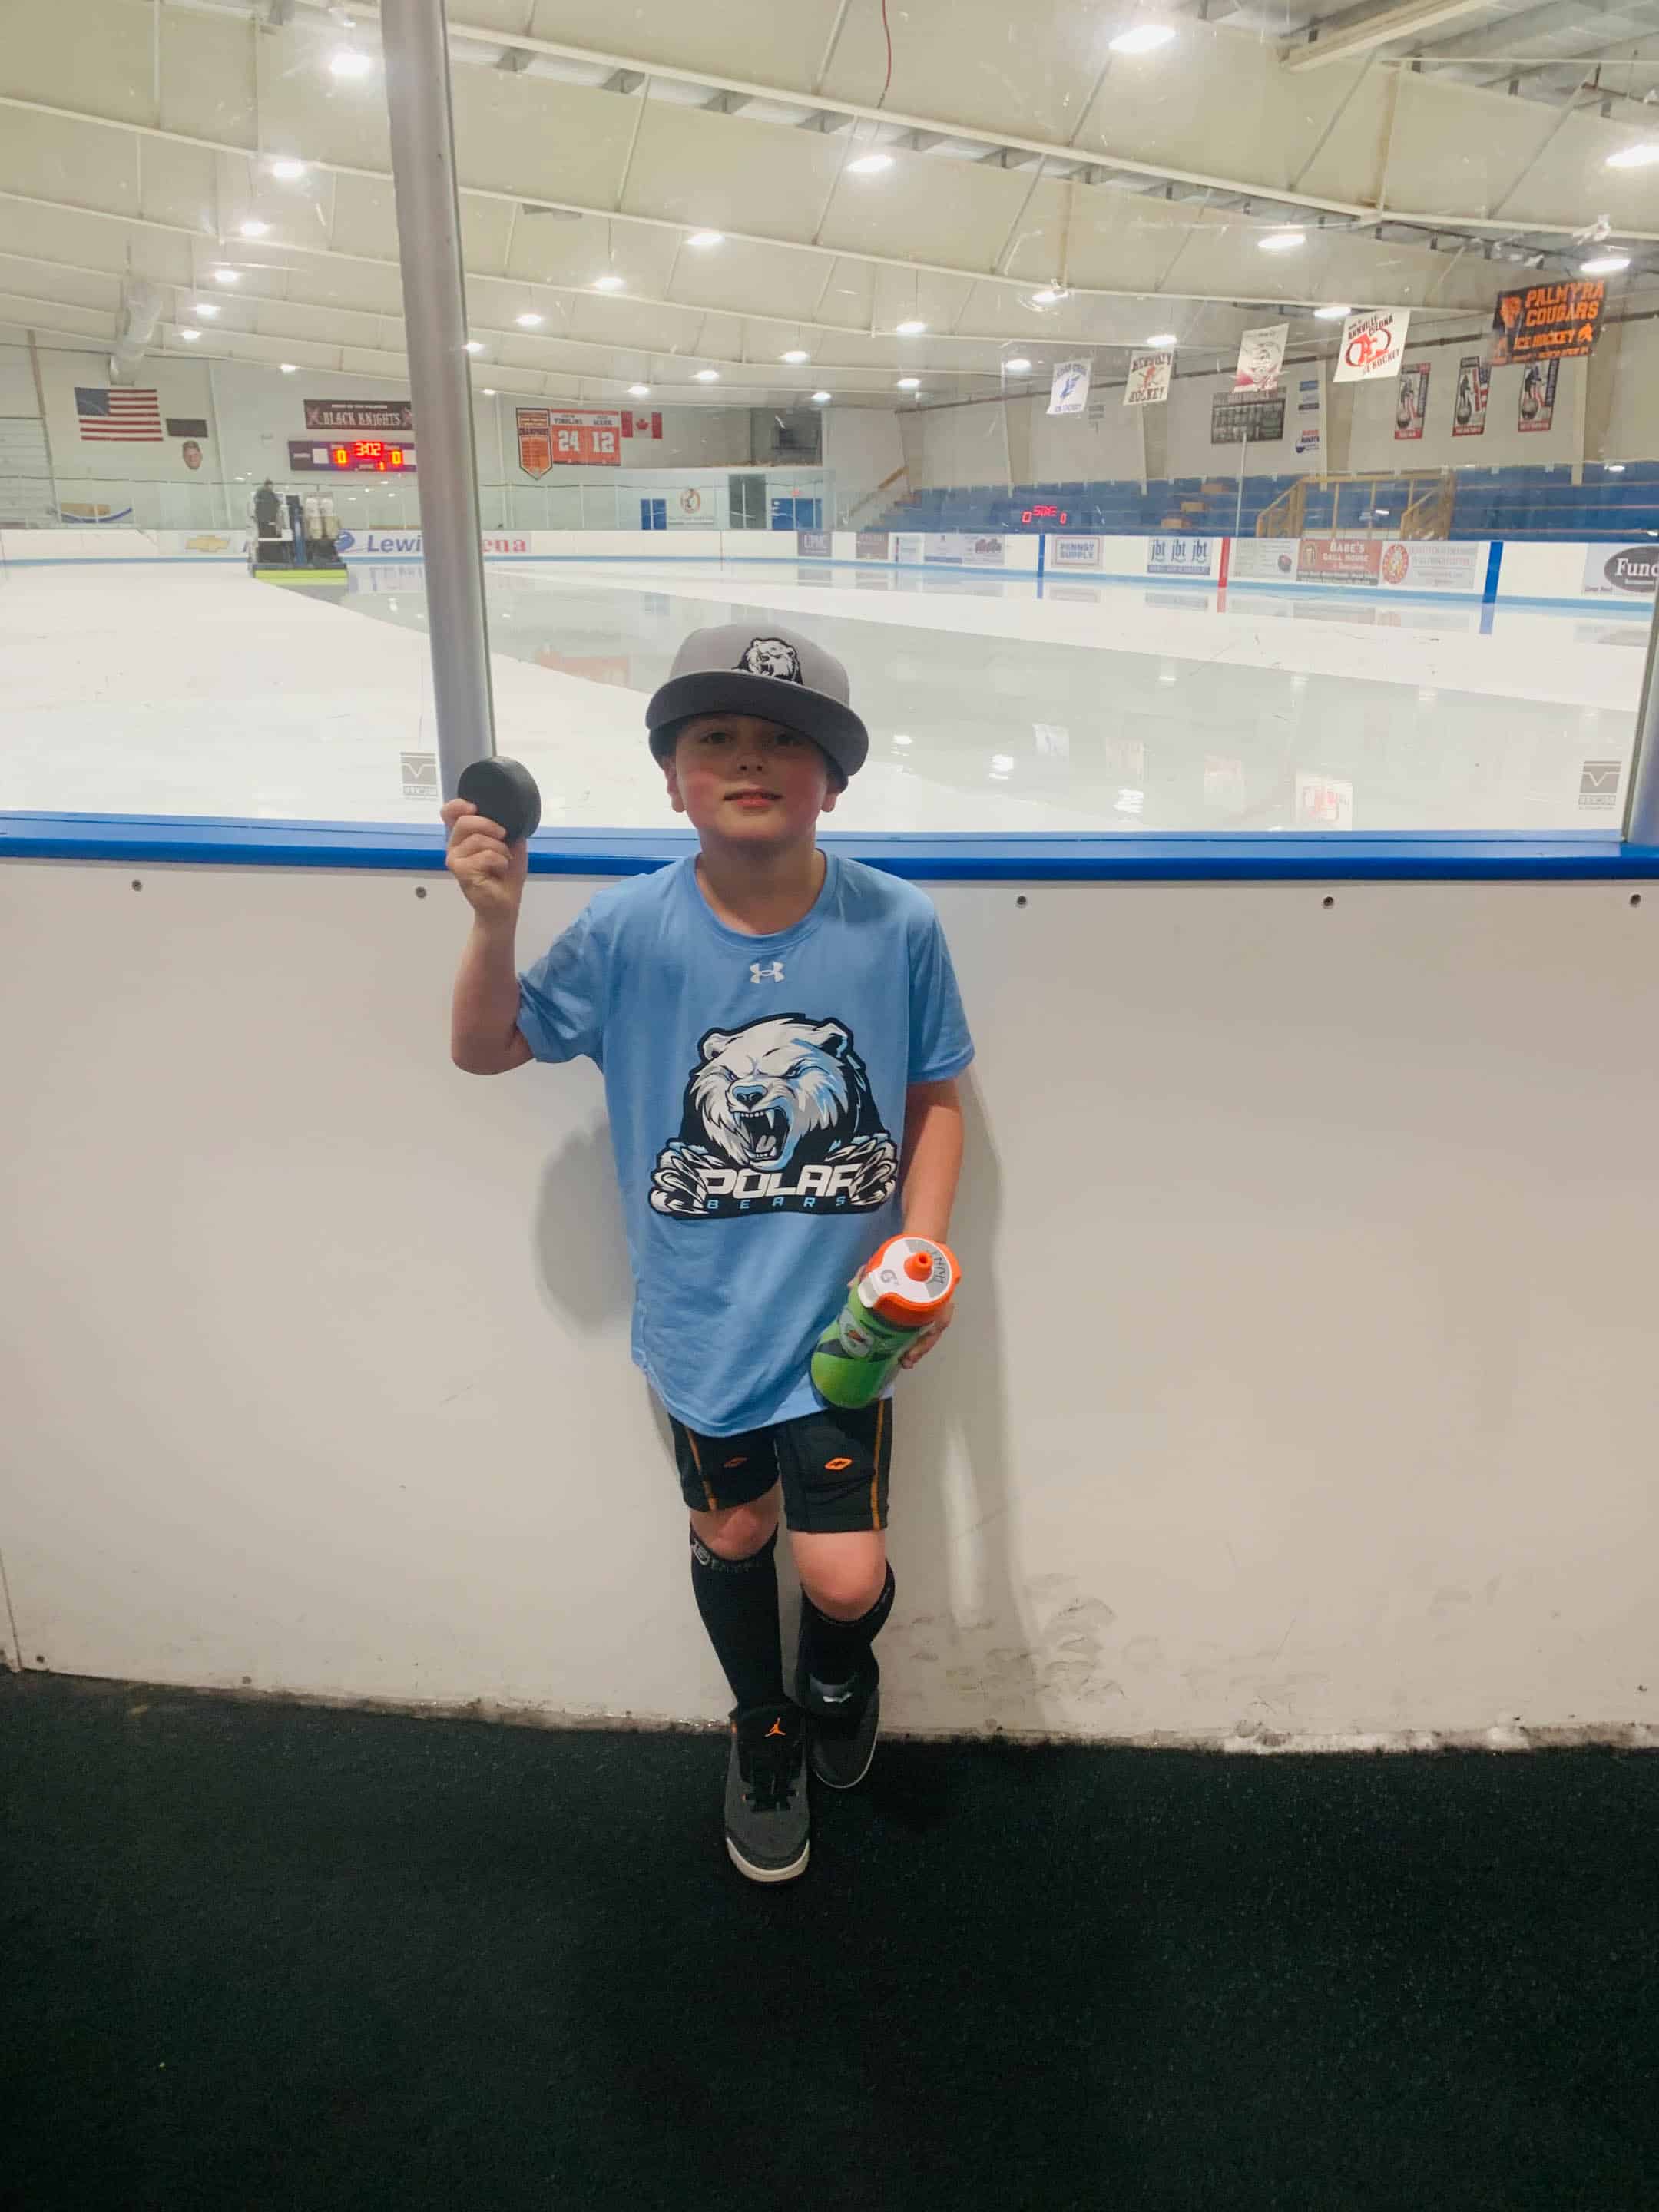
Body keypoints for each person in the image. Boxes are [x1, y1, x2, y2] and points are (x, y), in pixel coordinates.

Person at [442, 624, 972, 1885]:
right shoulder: (628, 928)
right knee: (735, 1534)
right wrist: (494, 924)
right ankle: (762, 1725)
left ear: (832, 781)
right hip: (701, 1324)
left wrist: (921, 1251)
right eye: (716, 737)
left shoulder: (896, 924)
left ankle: (835, 1674)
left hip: (846, 1329)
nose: (749, 759)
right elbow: (486, 1047)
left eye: (784, 740)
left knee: (842, 1580)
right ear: (671, 777)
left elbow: (935, 1095)